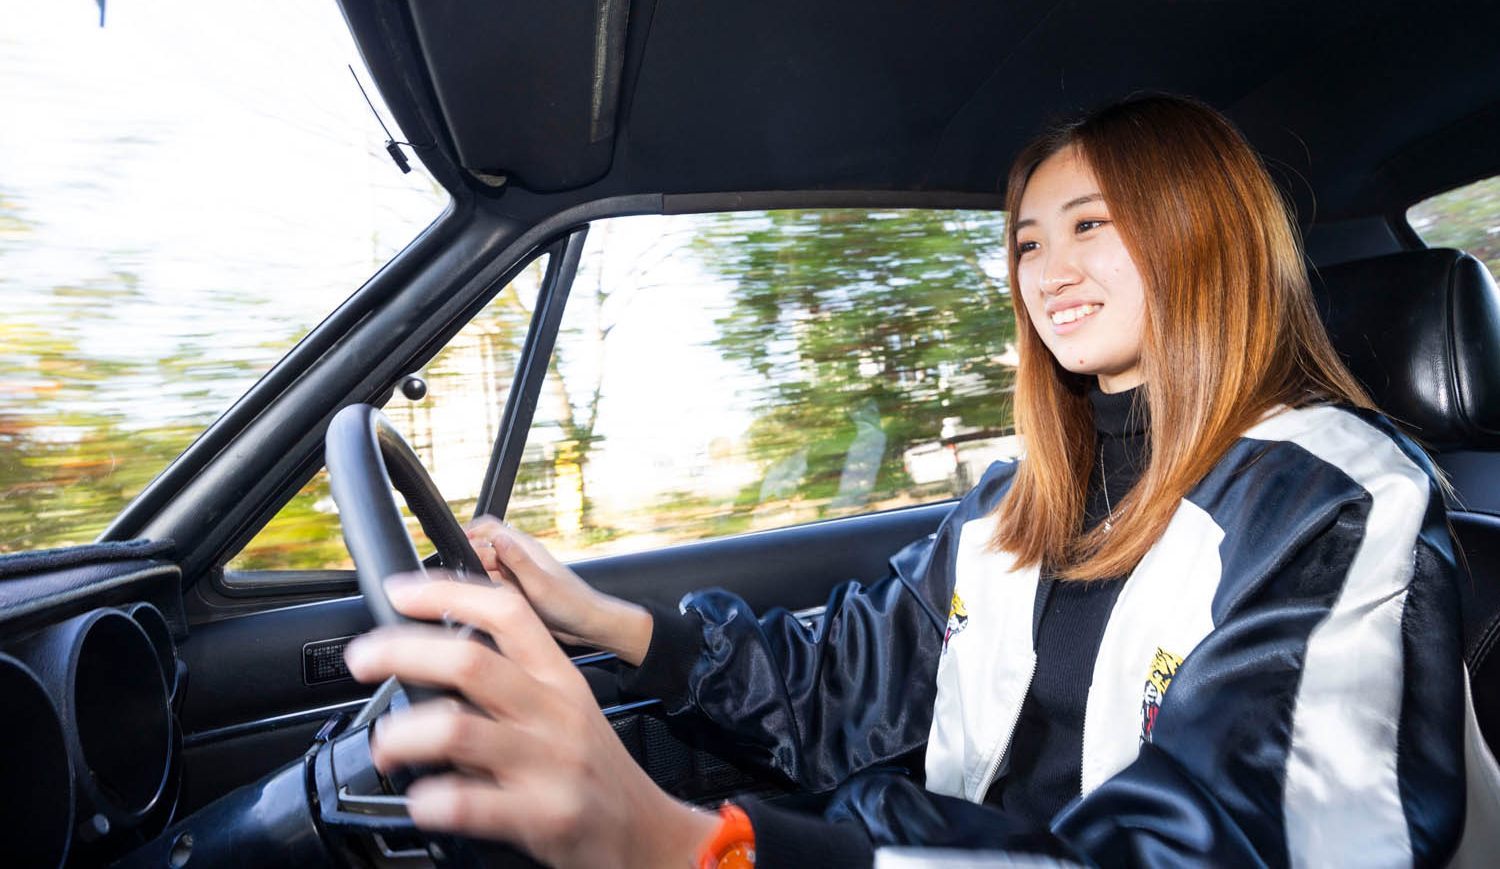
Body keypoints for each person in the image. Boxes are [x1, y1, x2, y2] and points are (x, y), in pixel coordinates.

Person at [342, 94, 1466, 868]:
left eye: (1090, 224)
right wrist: (600, 616)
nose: (1048, 271)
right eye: (1027, 242)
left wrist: (700, 847)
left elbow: (1240, 842)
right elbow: (841, 684)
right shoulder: (1015, 504)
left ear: (1201, 236)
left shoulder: (1336, 506)